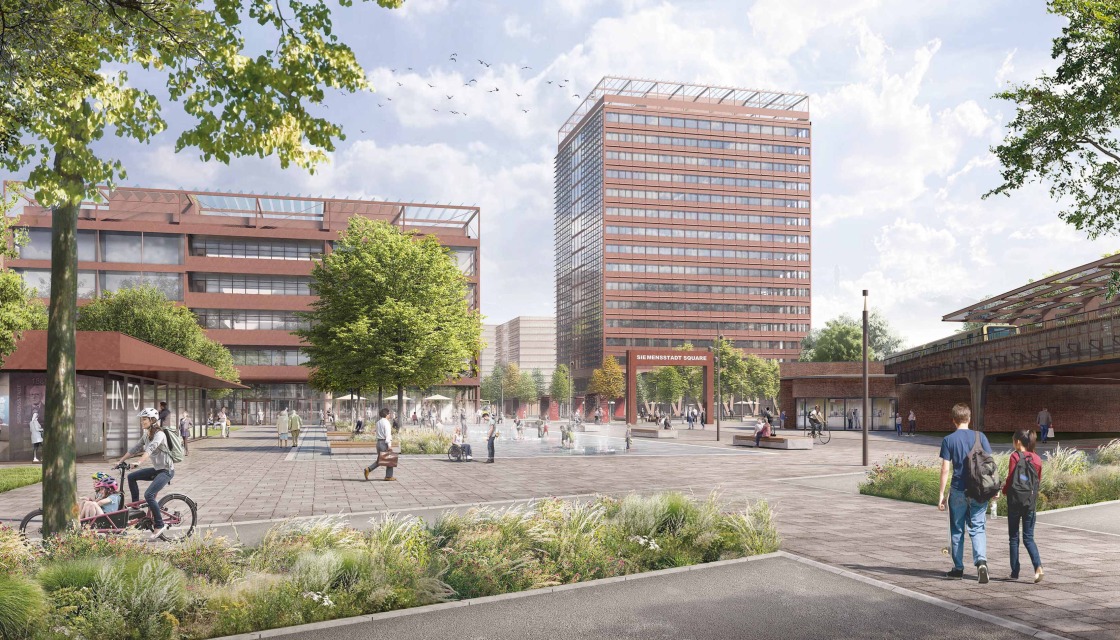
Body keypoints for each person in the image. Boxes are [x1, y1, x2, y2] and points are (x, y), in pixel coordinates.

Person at [937, 402, 992, 583]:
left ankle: (958, 568)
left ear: (953, 420)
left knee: (957, 529)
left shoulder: (949, 440)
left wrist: (941, 495)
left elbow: (945, 469)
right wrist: (993, 490)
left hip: (958, 490)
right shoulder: (980, 436)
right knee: (977, 527)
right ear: (969, 419)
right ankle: (981, 563)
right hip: (978, 490)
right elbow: (989, 464)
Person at [117, 408, 176, 541]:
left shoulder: (159, 434)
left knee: (149, 494)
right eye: (141, 419)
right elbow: (135, 448)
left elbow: (150, 449)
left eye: (144, 419)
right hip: (157, 469)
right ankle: (136, 508)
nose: (141, 422)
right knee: (132, 477)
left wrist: (138, 462)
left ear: (152, 420)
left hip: (167, 470)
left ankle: (159, 525)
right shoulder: (147, 434)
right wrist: (120, 461)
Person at [1004, 429, 1044, 583]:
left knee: (1013, 538)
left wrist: (1004, 490)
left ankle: (1015, 572)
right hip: (1029, 503)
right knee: (1029, 538)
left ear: (1018, 442)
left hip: (1014, 501)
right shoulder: (1037, 459)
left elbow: (1010, 478)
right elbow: (1037, 481)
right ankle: (1038, 567)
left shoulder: (1014, 456)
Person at [363, 408, 396, 481]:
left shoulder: (378, 422)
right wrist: (389, 445)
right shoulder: (387, 423)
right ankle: (388, 476)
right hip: (384, 442)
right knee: (390, 459)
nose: (390, 415)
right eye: (389, 413)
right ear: (386, 414)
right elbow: (388, 435)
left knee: (380, 460)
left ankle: (368, 469)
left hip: (378, 443)